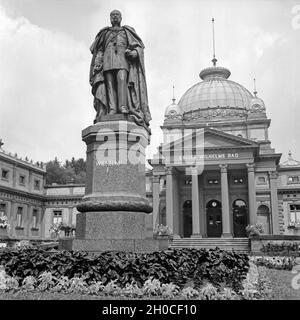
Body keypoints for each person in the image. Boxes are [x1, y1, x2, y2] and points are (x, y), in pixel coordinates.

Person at [89, 10, 151, 131]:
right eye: (112, 15)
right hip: (107, 62)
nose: (115, 17)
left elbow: (138, 46)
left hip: (122, 61)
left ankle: (123, 107)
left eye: (117, 15)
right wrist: (98, 62)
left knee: (122, 81)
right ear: (110, 18)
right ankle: (112, 108)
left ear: (121, 18)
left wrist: (134, 53)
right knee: (109, 85)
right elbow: (98, 49)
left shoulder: (126, 31)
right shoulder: (105, 33)